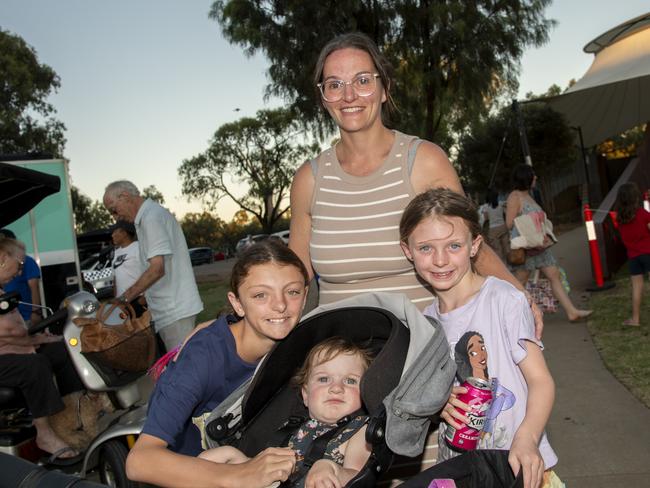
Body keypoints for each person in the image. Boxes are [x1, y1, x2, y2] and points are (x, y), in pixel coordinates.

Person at [288, 32, 542, 329]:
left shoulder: (423, 161)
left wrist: (520, 295)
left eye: (363, 80)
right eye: (334, 85)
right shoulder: (309, 179)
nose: (349, 96)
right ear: (323, 97)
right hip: (340, 359)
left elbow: (471, 246)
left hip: (422, 353)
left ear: (384, 89)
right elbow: (292, 276)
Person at [399, 188, 562, 488]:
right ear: (408, 250)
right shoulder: (424, 324)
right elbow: (428, 394)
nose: (439, 260)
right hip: (461, 472)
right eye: (425, 248)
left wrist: (527, 438)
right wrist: (440, 402)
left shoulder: (504, 300)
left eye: (454, 246)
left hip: (517, 468)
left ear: (474, 245)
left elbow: (541, 381)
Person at [125, 240, 309, 487]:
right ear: (237, 303)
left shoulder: (299, 342)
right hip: (192, 473)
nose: (280, 305)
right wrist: (240, 476)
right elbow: (139, 462)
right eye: (260, 295)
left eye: (292, 291)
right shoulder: (202, 359)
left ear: (305, 296)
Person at [200, 337, 373, 488]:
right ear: (305, 395)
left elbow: (358, 474)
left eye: (350, 381)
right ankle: (190, 477)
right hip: (267, 480)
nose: (336, 388)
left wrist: (331, 468)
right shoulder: (294, 424)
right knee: (224, 454)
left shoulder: (358, 430)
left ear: (366, 391)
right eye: (324, 379)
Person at [0, 236, 84, 464]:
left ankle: (73, 417)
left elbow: (16, 332)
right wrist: (34, 339)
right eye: (19, 265)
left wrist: (39, 337)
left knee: (61, 350)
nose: (20, 272)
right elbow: (7, 333)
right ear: (1, 258)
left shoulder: (3, 292)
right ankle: (44, 435)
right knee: (35, 365)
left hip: (10, 352)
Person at [103, 180, 203, 352]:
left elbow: (157, 269)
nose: (115, 217)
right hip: (171, 311)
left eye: (113, 209)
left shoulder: (151, 218)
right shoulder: (147, 218)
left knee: (184, 370)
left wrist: (124, 299)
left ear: (125, 196)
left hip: (174, 311)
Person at [505, 164, 592, 323]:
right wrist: (531, 226)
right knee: (519, 283)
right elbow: (510, 223)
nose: (535, 178)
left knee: (554, 275)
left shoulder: (529, 195)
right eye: (533, 175)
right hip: (526, 249)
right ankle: (510, 319)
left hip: (539, 247)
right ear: (526, 177)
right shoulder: (515, 197)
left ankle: (572, 312)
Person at [614, 182, 650, 326]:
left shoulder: (620, 219)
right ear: (636, 198)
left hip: (634, 257)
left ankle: (635, 319)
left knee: (636, 287)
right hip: (648, 253)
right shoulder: (643, 214)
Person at [0, 229, 43, 326]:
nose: (19, 273)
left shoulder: (27, 261)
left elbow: (34, 287)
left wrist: (35, 312)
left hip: (24, 316)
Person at [109, 220, 146, 316]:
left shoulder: (139, 248)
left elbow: (151, 273)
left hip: (138, 301)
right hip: (121, 304)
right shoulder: (116, 252)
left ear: (124, 233)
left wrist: (141, 301)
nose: (112, 235)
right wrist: (116, 299)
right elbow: (115, 279)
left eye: (115, 232)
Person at [482, 189, 509, 262]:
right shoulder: (501, 204)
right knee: (506, 246)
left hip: (493, 229)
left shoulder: (485, 206)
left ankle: (502, 265)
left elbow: (486, 218)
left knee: (497, 249)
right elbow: (506, 211)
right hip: (503, 227)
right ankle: (511, 263)